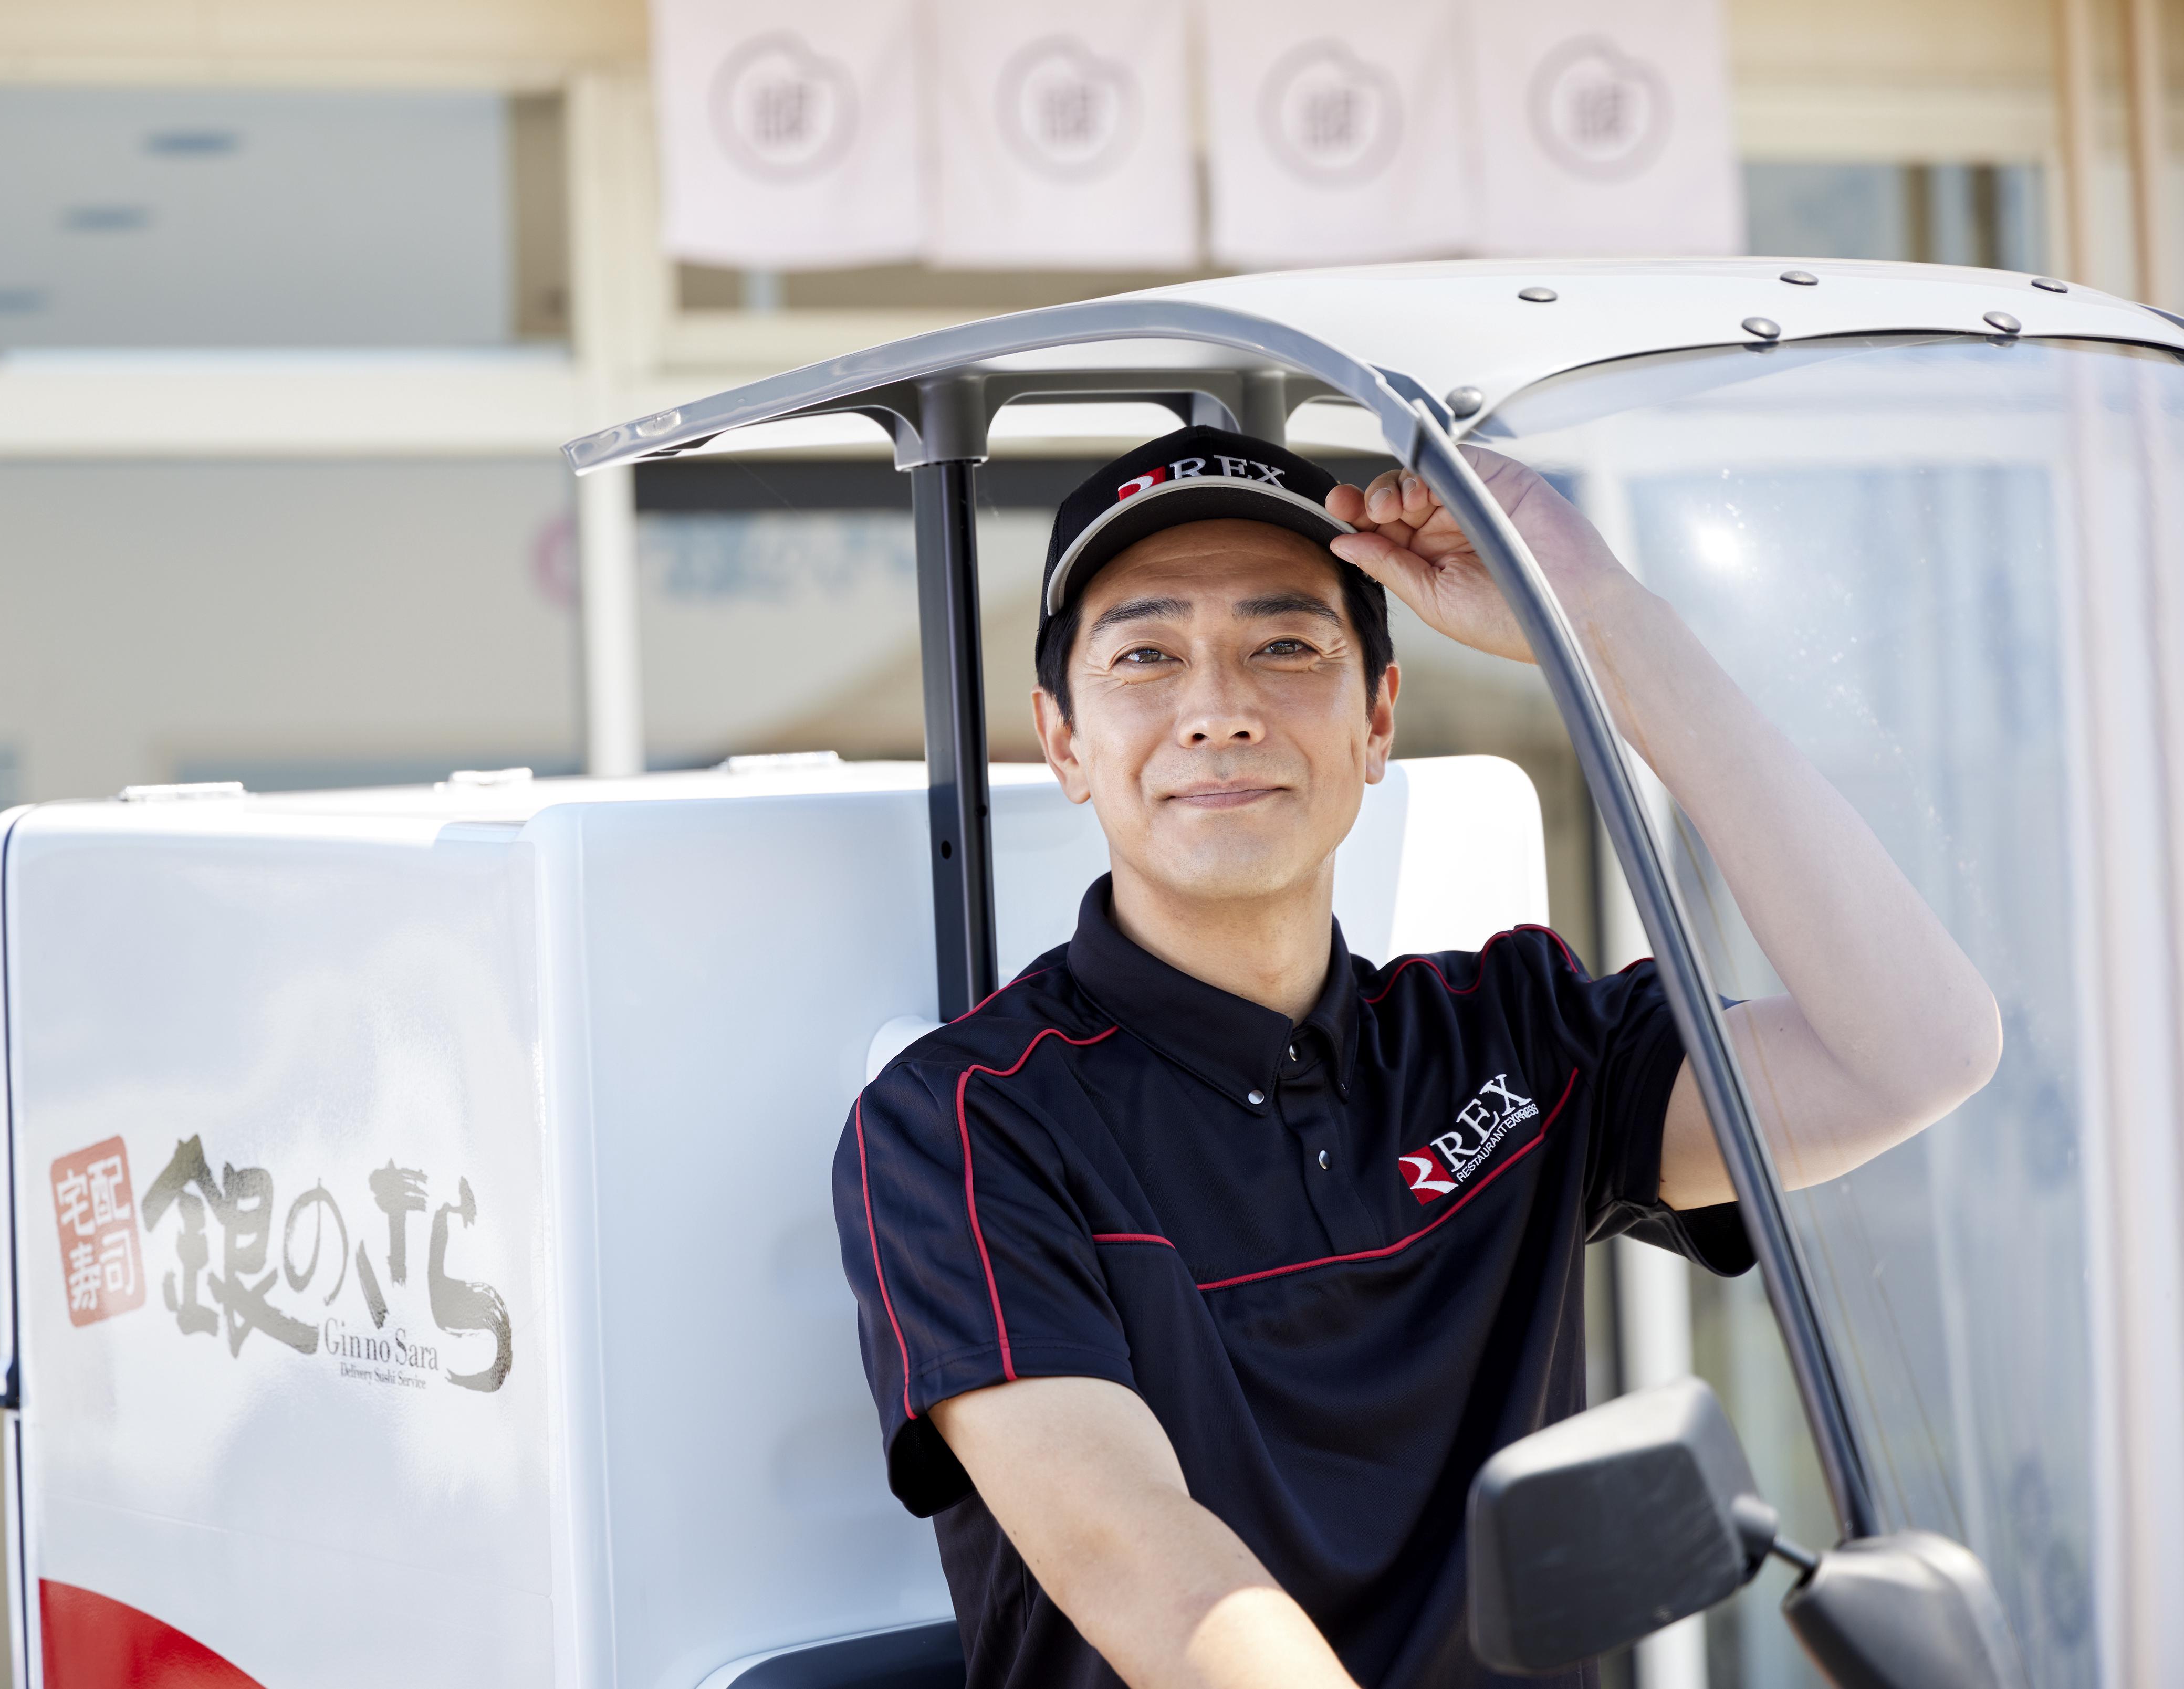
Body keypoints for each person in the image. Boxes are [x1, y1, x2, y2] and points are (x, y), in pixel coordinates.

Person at [831, 424, 2000, 1689]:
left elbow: (1914, 1050)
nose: (1217, 709)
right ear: (1064, 743)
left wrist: (1602, 623)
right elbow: (1157, 1575)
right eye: (1146, 657)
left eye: (1286, 646)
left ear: (1379, 718)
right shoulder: (964, 1121)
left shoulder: (1516, 1032)